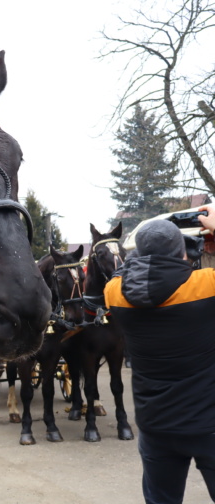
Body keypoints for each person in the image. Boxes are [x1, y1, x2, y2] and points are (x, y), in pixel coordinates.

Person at [104, 209, 215, 504]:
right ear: (182, 252)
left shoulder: (115, 293)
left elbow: (123, 273)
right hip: (208, 424)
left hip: (156, 425)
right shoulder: (206, 286)